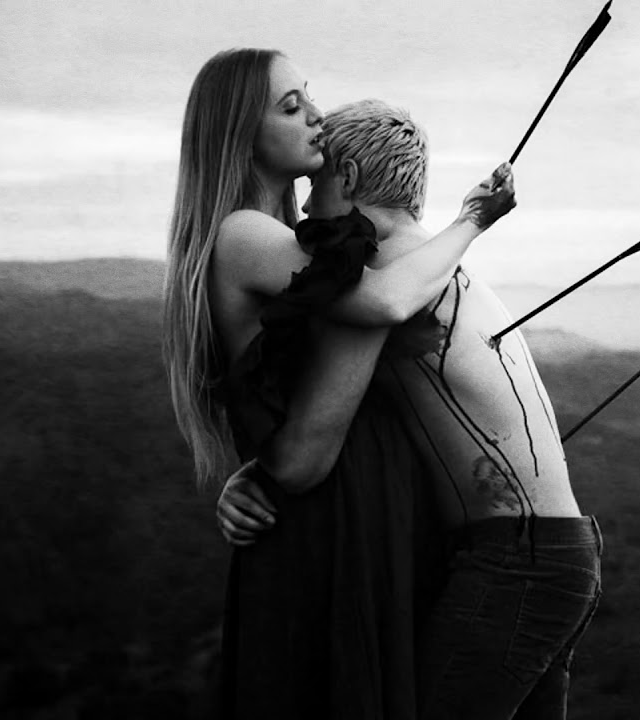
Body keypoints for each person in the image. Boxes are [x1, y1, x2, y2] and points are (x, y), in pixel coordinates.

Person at [162, 49, 517, 719]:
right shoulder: (243, 233)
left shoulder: (286, 241)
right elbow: (383, 302)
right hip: (331, 525)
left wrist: (255, 470)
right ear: (241, 134)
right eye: (291, 107)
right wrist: (472, 219)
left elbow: (295, 393)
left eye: (310, 97)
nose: (316, 117)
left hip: (352, 511)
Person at [220, 98, 601, 719]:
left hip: (517, 559)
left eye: (315, 185)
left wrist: (264, 469)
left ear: (347, 178)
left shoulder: (386, 269)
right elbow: (360, 408)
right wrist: (252, 472)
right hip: (559, 552)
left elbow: (321, 416)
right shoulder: (431, 262)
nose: (307, 209)